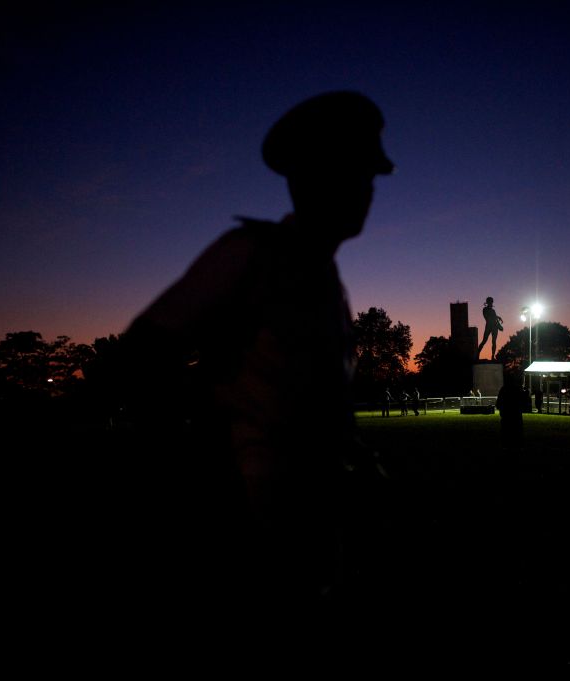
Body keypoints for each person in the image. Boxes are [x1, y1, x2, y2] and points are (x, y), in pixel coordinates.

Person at [121, 91, 394, 606]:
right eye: (357, 172)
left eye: (370, 178)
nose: (367, 191)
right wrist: (202, 475)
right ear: (314, 176)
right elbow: (142, 353)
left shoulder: (326, 280)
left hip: (308, 529)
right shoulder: (249, 254)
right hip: (252, 539)